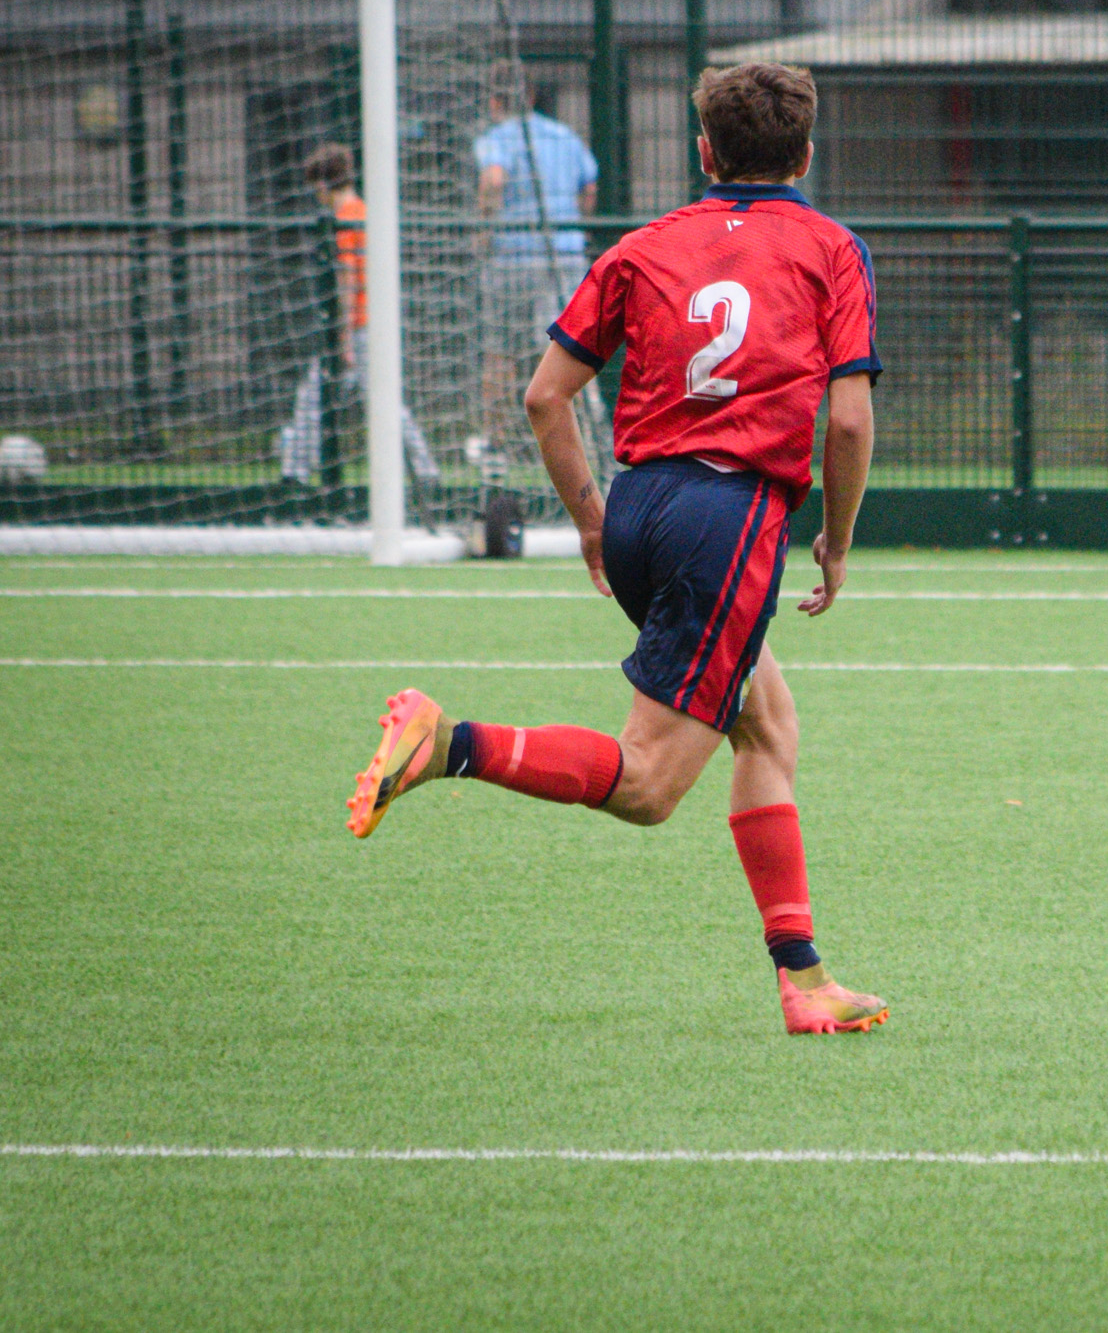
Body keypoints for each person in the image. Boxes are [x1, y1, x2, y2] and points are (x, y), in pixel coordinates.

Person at [348, 62, 890, 1035]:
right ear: (805, 156)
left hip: (640, 503)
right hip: (728, 522)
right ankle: (449, 742)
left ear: (703, 153)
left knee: (765, 725)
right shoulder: (829, 247)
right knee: (647, 785)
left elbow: (543, 395)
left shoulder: (644, 246)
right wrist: (838, 543)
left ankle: (804, 978)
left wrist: (594, 519)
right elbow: (848, 422)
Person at [279, 144, 438, 484]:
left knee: (318, 399)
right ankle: (425, 471)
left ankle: (295, 474)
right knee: (360, 401)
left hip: (358, 329)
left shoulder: (345, 219)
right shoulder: (365, 210)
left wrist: (344, 336)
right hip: (372, 325)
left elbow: (348, 280)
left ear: (321, 186)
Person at [473, 72, 599, 461]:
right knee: (567, 350)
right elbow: (589, 189)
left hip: (513, 256)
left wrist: (484, 228)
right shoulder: (564, 136)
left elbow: (493, 180)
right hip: (563, 256)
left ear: (496, 102)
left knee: (501, 352)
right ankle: (590, 436)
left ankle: (496, 443)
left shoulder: (497, 138)